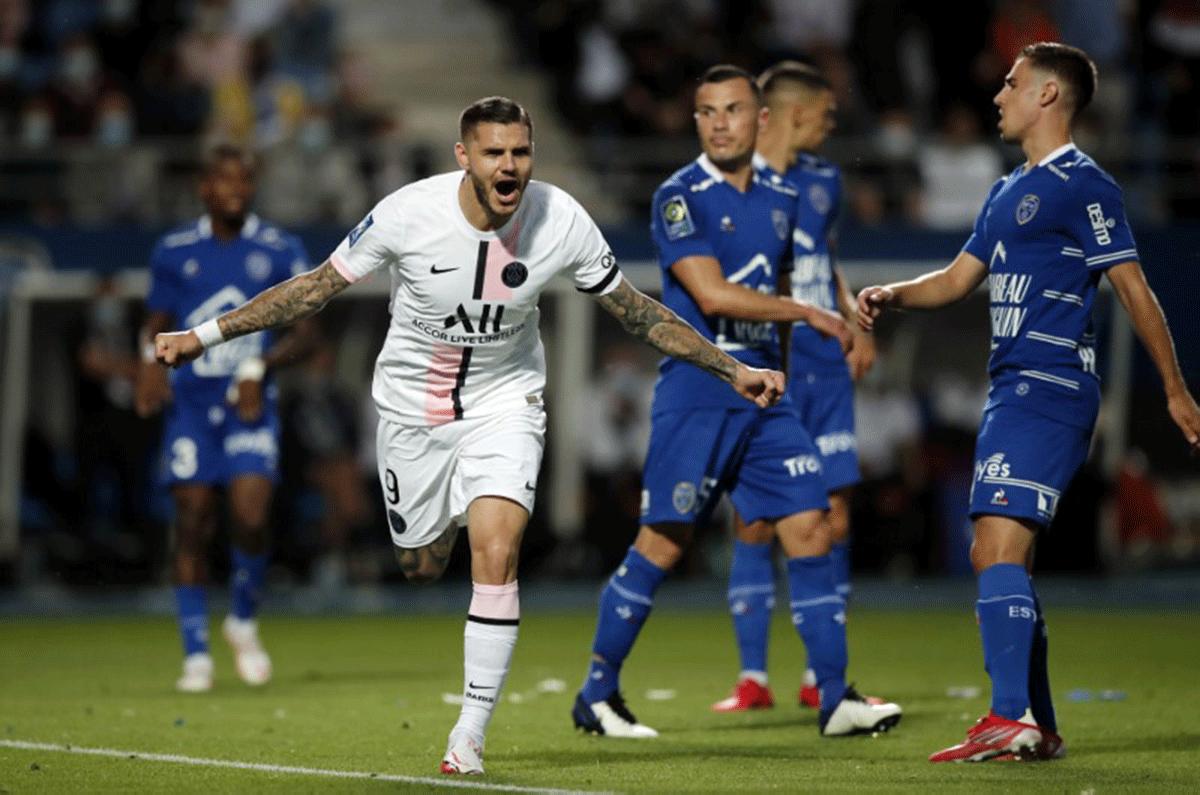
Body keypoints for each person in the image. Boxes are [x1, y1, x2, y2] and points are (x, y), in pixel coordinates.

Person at [153, 96, 789, 776]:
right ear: (465, 156)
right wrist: (204, 335)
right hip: (412, 412)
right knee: (422, 564)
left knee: (497, 549)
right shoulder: (407, 213)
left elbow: (637, 312)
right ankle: (444, 518)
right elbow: (311, 290)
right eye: (493, 152)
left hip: (505, 403)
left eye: (519, 151)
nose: (509, 165)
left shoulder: (562, 219)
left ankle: (469, 736)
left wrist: (731, 368)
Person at [857, 42, 1200, 762]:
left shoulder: (1086, 185)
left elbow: (1135, 290)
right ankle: (1035, 725)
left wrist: (1174, 387)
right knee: (1000, 553)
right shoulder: (1008, 188)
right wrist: (894, 293)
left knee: (995, 548)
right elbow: (957, 278)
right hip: (1010, 388)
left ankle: (1010, 712)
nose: (998, 96)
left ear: (1048, 95)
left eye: (1011, 84)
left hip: (1051, 388)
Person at [569, 65, 902, 741]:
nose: (719, 122)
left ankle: (834, 697)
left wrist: (780, 359)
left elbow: (777, 283)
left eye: (732, 109)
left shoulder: (785, 195)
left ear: (761, 121)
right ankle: (597, 691)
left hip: (764, 398)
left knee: (812, 524)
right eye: (706, 111)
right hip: (700, 390)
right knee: (663, 542)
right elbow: (714, 295)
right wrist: (811, 314)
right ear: (696, 122)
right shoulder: (678, 196)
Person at [709, 61, 884, 714]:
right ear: (794, 113)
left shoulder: (825, 180)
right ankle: (753, 676)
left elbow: (823, 255)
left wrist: (853, 321)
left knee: (832, 516)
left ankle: (821, 673)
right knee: (755, 517)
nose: (831, 124)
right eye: (823, 113)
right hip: (767, 360)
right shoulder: (737, 180)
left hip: (824, 363)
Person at [135, 144, 316, 694]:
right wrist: (149, 365)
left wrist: (259, 366)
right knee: (192, 519)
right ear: (204, 189)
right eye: (225, 181)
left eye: (245, 181)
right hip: (192, 406)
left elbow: (306, 332)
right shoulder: (174, 250)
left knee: (251, 512)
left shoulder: (279, 248)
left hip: (250, 402)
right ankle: (195, 653)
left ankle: (242, 619)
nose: (236, 190)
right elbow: (157, 322)